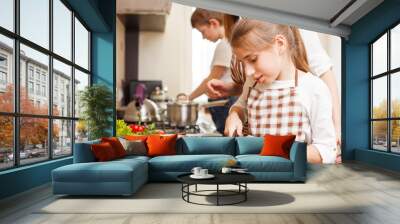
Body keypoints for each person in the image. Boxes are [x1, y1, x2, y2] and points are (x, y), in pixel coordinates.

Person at [207, 15, 342, 163]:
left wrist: (277, 149)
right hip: (257, 178)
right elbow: (240, 106)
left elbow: (326, 151)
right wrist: (234, 115)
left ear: (280, 44)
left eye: (252, 59)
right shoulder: (252, 84)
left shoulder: (314, 88)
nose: (248, 72)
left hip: (297, 184)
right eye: (242, 63)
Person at [188, 8, 237, 134]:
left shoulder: (225, 45)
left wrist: (189, 98)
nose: (203, 37)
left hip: (226, 103)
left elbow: (211, 79)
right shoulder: (228, 43)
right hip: (227, 101)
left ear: (214, 23)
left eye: (203, 31)